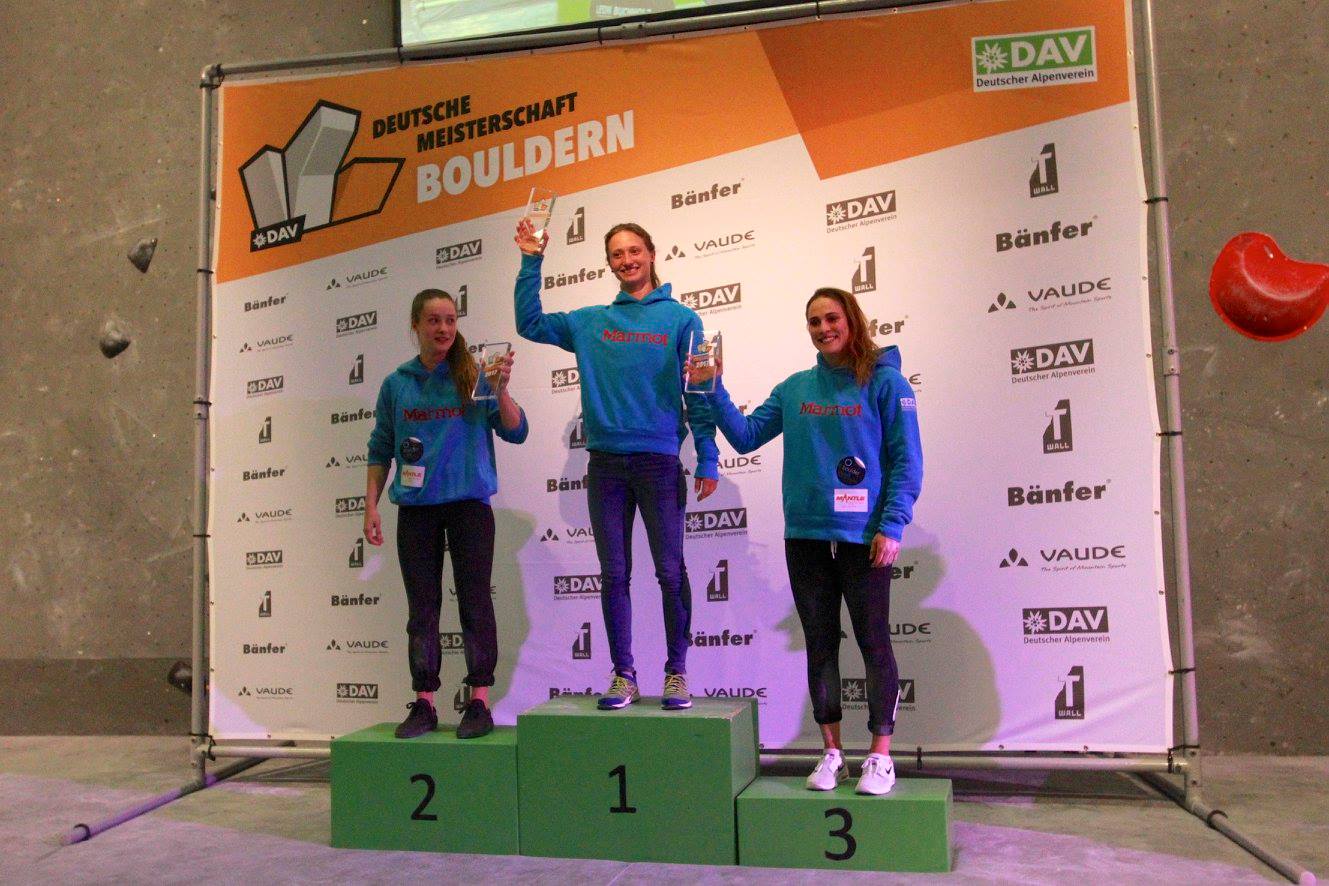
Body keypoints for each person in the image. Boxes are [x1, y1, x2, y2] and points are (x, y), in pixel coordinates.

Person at [691, 286, 922, 795]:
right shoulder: (795, 388)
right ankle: (832, 753)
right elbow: (746, 436)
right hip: (806, 538)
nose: (823, 329)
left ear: (851, 320)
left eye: (832, 318)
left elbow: (908, 460)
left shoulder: (886, 382)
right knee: (820, 645)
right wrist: (713, 386)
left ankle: (881, 756)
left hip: (865, 538)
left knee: (874, 642)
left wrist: (892, 525)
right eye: (814, 322)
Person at [514, 217, 719, 711]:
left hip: (659, 463)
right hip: (605, 466)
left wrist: (708, 457)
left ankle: (677, 673)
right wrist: (530, 259)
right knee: (614, 575)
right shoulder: (590, 322)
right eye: (616, 254)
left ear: (651, 253)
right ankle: (623, 674)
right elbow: (529, 323)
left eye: (634, 251)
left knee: (670, 573)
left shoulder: (682, 320)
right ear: (609, 263)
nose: (626, 260)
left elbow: (700, 392)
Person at [364, 289, 528, 739]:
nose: (443, 328)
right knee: (422, 609)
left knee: (475, 602)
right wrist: (370, 506)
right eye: (434, 320)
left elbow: (516, 431)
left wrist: (502, 391)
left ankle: (479, 701)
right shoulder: (396, 384)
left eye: (450, 320)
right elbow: (380, 448)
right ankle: (424, 703)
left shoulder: (474, 374)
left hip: (469, 506)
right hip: (416, 510)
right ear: (415, 325)